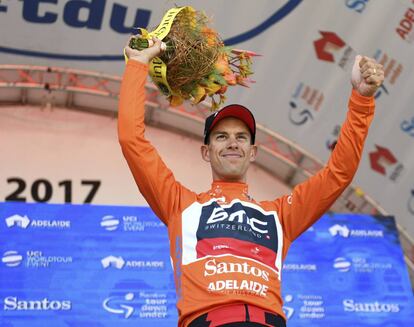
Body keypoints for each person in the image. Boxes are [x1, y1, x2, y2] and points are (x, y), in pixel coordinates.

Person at [118, 37, 384, 327]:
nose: (232, 143)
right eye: (221, 137)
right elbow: (133, 140)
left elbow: (339, 173)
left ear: (253, 152)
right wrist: (138, 64)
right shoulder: (179, 204)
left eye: (241, 137)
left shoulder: (281, 214)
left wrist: (362, 100)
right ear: (206, 152)